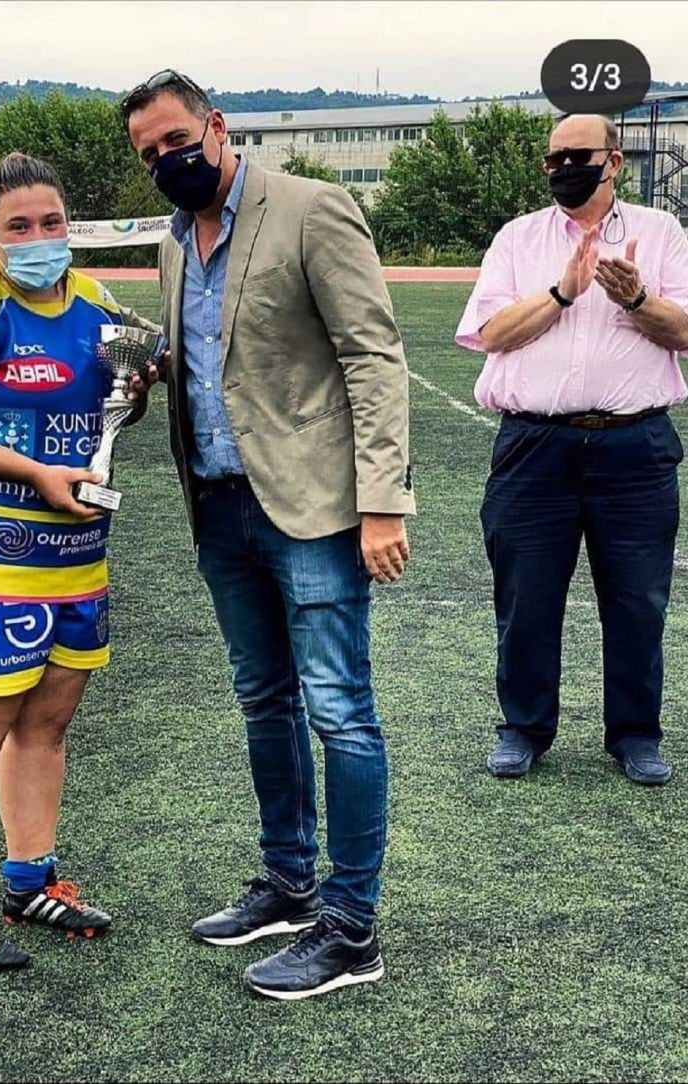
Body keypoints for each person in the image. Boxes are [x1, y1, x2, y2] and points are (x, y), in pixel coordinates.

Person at [123, 71, 415, 1001]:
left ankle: (350, 927)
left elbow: (372, 355)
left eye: (175, 140)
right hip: (218, 504)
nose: (165, 161)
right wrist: (149, 377)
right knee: (263, 702)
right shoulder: (175, 240)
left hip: (316, 509)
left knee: (339, 710)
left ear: (216, 127)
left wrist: (381, 501)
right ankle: (288, 883)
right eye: (147, 155)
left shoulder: (310, 209)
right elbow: (214, 364)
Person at [0, 153, 158, 971]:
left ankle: (29, 878)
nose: (40, 238)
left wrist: (136, 396)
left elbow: (116, 399)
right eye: (20, 227)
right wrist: (36, 474)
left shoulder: (97, 303)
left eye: (52, 224)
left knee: (46, 727)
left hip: (76, 555)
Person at [456, 114, 688, 786]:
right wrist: (562, 293)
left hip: (635, 448)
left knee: (639, 600)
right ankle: (523, 728)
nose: (562, 168)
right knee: (526, 596)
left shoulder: (662, 233)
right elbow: (491, 332)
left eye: (576, 156)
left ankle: (636, 734)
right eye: (553, 159)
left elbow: (682, 331)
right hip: (534, 447)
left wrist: (637, 296)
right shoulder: (518, 239)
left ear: (612, 161)